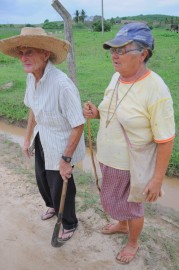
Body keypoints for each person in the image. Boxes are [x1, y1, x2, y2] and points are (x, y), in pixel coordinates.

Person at [83, 22, 175, 264]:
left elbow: (166, 140)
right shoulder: (116, 77)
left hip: (131, 166)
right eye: (113, 49)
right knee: (116, 201)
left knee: (132, 206)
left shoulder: (156, 90)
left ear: (143, 54)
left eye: (122, 50)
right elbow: (113, 112)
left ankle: (132, 241)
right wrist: (97, 113)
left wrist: (156, 180)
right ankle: (122, 225)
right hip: (108, 157)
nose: (115, 55)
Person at [0, 27, 86, 244]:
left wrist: (66, 160)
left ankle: (69, 222)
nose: (23, 58)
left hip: (62, 142)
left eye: (29, 52)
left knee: (61, 185)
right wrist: (27, 138)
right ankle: (52, 207)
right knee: (42, 179)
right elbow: (33, 109)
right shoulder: (32, 77)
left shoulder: (61, 84)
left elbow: (78, 125)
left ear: (45, 54)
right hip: (42, 136)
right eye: (21, 52)